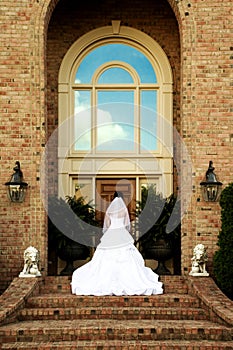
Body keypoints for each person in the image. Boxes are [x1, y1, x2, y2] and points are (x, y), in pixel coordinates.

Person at [71, 191, 163, 296]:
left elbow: (107, 225)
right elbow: (126, 224)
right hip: (121, 233)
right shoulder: (123, 210)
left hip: (111, 233)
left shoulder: (110, 211)